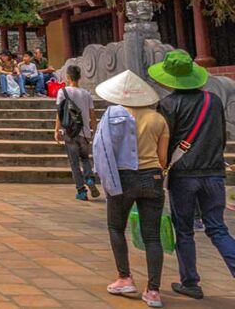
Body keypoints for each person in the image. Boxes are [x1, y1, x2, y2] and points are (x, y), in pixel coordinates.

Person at [151, 51, 235, 300]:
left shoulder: (167, 105)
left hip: (183, 174)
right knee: (218, 227)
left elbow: (164, 143)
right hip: (213, 172)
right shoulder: (213, 101)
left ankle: (190, 281)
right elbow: (221, 136)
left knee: (185, 229)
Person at [92, 70, 168, 308]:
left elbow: (102, 149)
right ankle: (154, 291)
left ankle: (124, 277)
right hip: (152, 177)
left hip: (123, 177)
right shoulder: (158, 119)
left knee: (116, 227)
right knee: (153, 236)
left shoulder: (114, 116)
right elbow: (163, 159)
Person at [54, 65, 98, 200]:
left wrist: (56, 130)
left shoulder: (63, 92)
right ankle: (89, 177)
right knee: (85, 158)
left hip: (70, 131)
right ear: (80, 77)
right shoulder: (86, 93)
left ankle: (81, 191)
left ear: (68, 77)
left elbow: (59, 113)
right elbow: (92, 115)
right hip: (84, 132)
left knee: (74, 162)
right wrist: (94, 130)